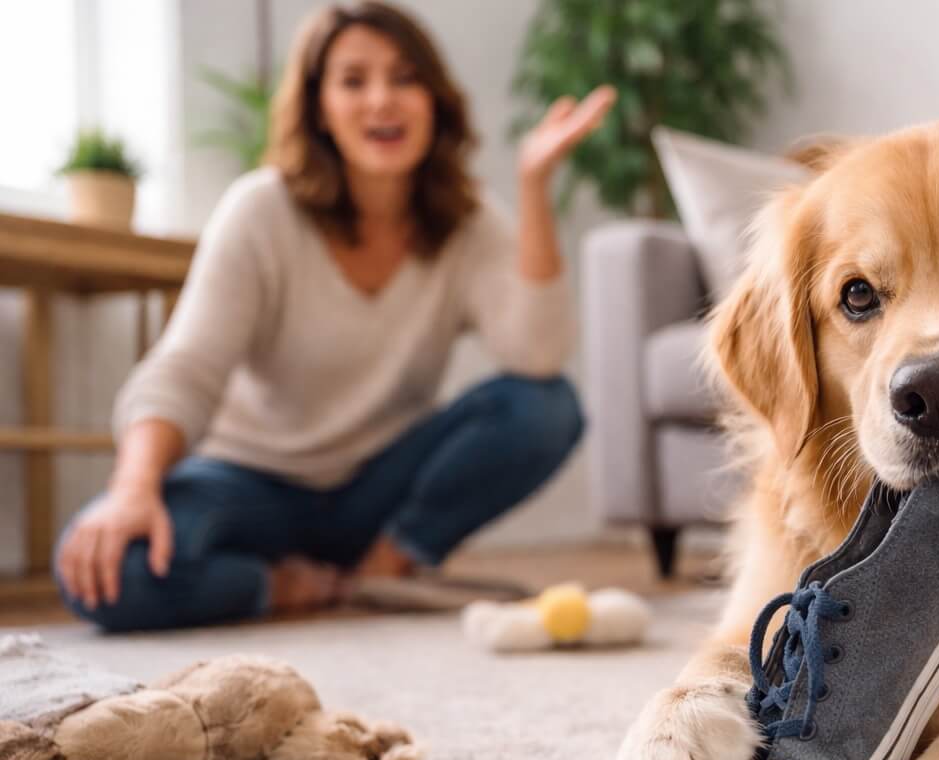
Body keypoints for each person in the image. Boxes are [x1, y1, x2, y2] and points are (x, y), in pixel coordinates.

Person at [53, 1, 615, 631]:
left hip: (375, 491)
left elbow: (535, 358)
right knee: (109, 573)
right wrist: (134, 489)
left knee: (545, 405)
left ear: (435, 100)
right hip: (247, 483)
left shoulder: (467, 222)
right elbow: (186, 367)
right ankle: (291, 585)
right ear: (319, 105)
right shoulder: (260, 211)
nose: (382, 100)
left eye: (405, 78)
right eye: (353, 81)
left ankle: (388, 565)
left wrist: (535, 192)